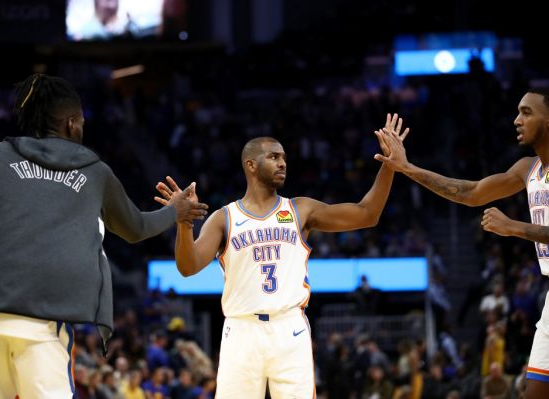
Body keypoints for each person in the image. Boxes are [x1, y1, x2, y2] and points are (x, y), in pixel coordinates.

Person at [0, 73, 208, 398]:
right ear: (72, 123)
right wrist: (175, 212)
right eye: (82, 121)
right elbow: (135, 228)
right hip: (42, 317)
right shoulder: (95, 172)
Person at [154, 114, 409, 398]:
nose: (282, 163)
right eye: (273, 157)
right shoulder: (224, 218)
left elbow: (367, 214)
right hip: (241, 330)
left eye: (284, 157)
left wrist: (389, 167)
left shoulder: (301, 210)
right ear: (251, 165)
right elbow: (188, 268)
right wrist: (184, 223)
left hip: (290, 329)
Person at [373, 88, 549, 399]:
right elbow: (471, 193)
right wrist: (407, 168)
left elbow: (516, 227)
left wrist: (514, 228)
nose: (516, 120)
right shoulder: (527, 168)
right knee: (532, 392)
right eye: (517, 112)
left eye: (526, 112)